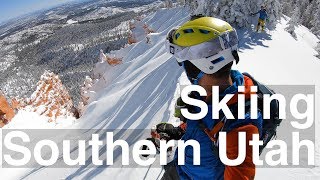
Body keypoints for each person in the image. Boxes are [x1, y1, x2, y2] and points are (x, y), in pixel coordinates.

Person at [157, 16, 263, 179]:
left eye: (184, 62)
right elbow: (206, 124)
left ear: (194, 67)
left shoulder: (241, 127)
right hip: (182, 169)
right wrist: (180, 131)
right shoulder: (206, 93)